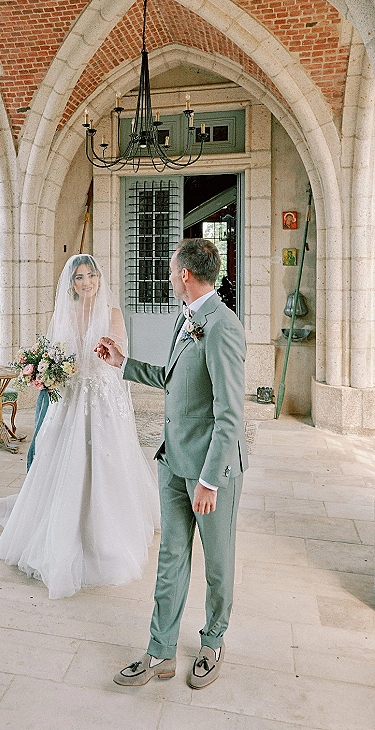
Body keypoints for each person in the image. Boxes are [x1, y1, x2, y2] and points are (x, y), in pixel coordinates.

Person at [96, 238, 247, 689]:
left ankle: (213, 641)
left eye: (170, 267)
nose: (167, 273)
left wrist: (209, 481)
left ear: (185, 274)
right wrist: (123, 363)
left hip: (209, 473)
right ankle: (159, 651)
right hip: (172, 461)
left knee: (218, 563)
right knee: (171, 558)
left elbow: (229, 415)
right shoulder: (187, 320)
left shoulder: (221, 326)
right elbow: (172, 379)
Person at [0, 254, 159, 599]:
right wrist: (45, 370)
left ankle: (104, 535)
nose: (86, 282)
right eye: (79, 278)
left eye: (91, 276)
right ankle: (60, 530)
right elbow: (55, 353)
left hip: (102, 394)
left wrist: (104, 352)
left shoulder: (113, 314)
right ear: (71, 284)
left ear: (100, 278)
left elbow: (115, 356)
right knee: (61, 460)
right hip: (70, 395)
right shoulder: (63, 313)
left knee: (106, 460)